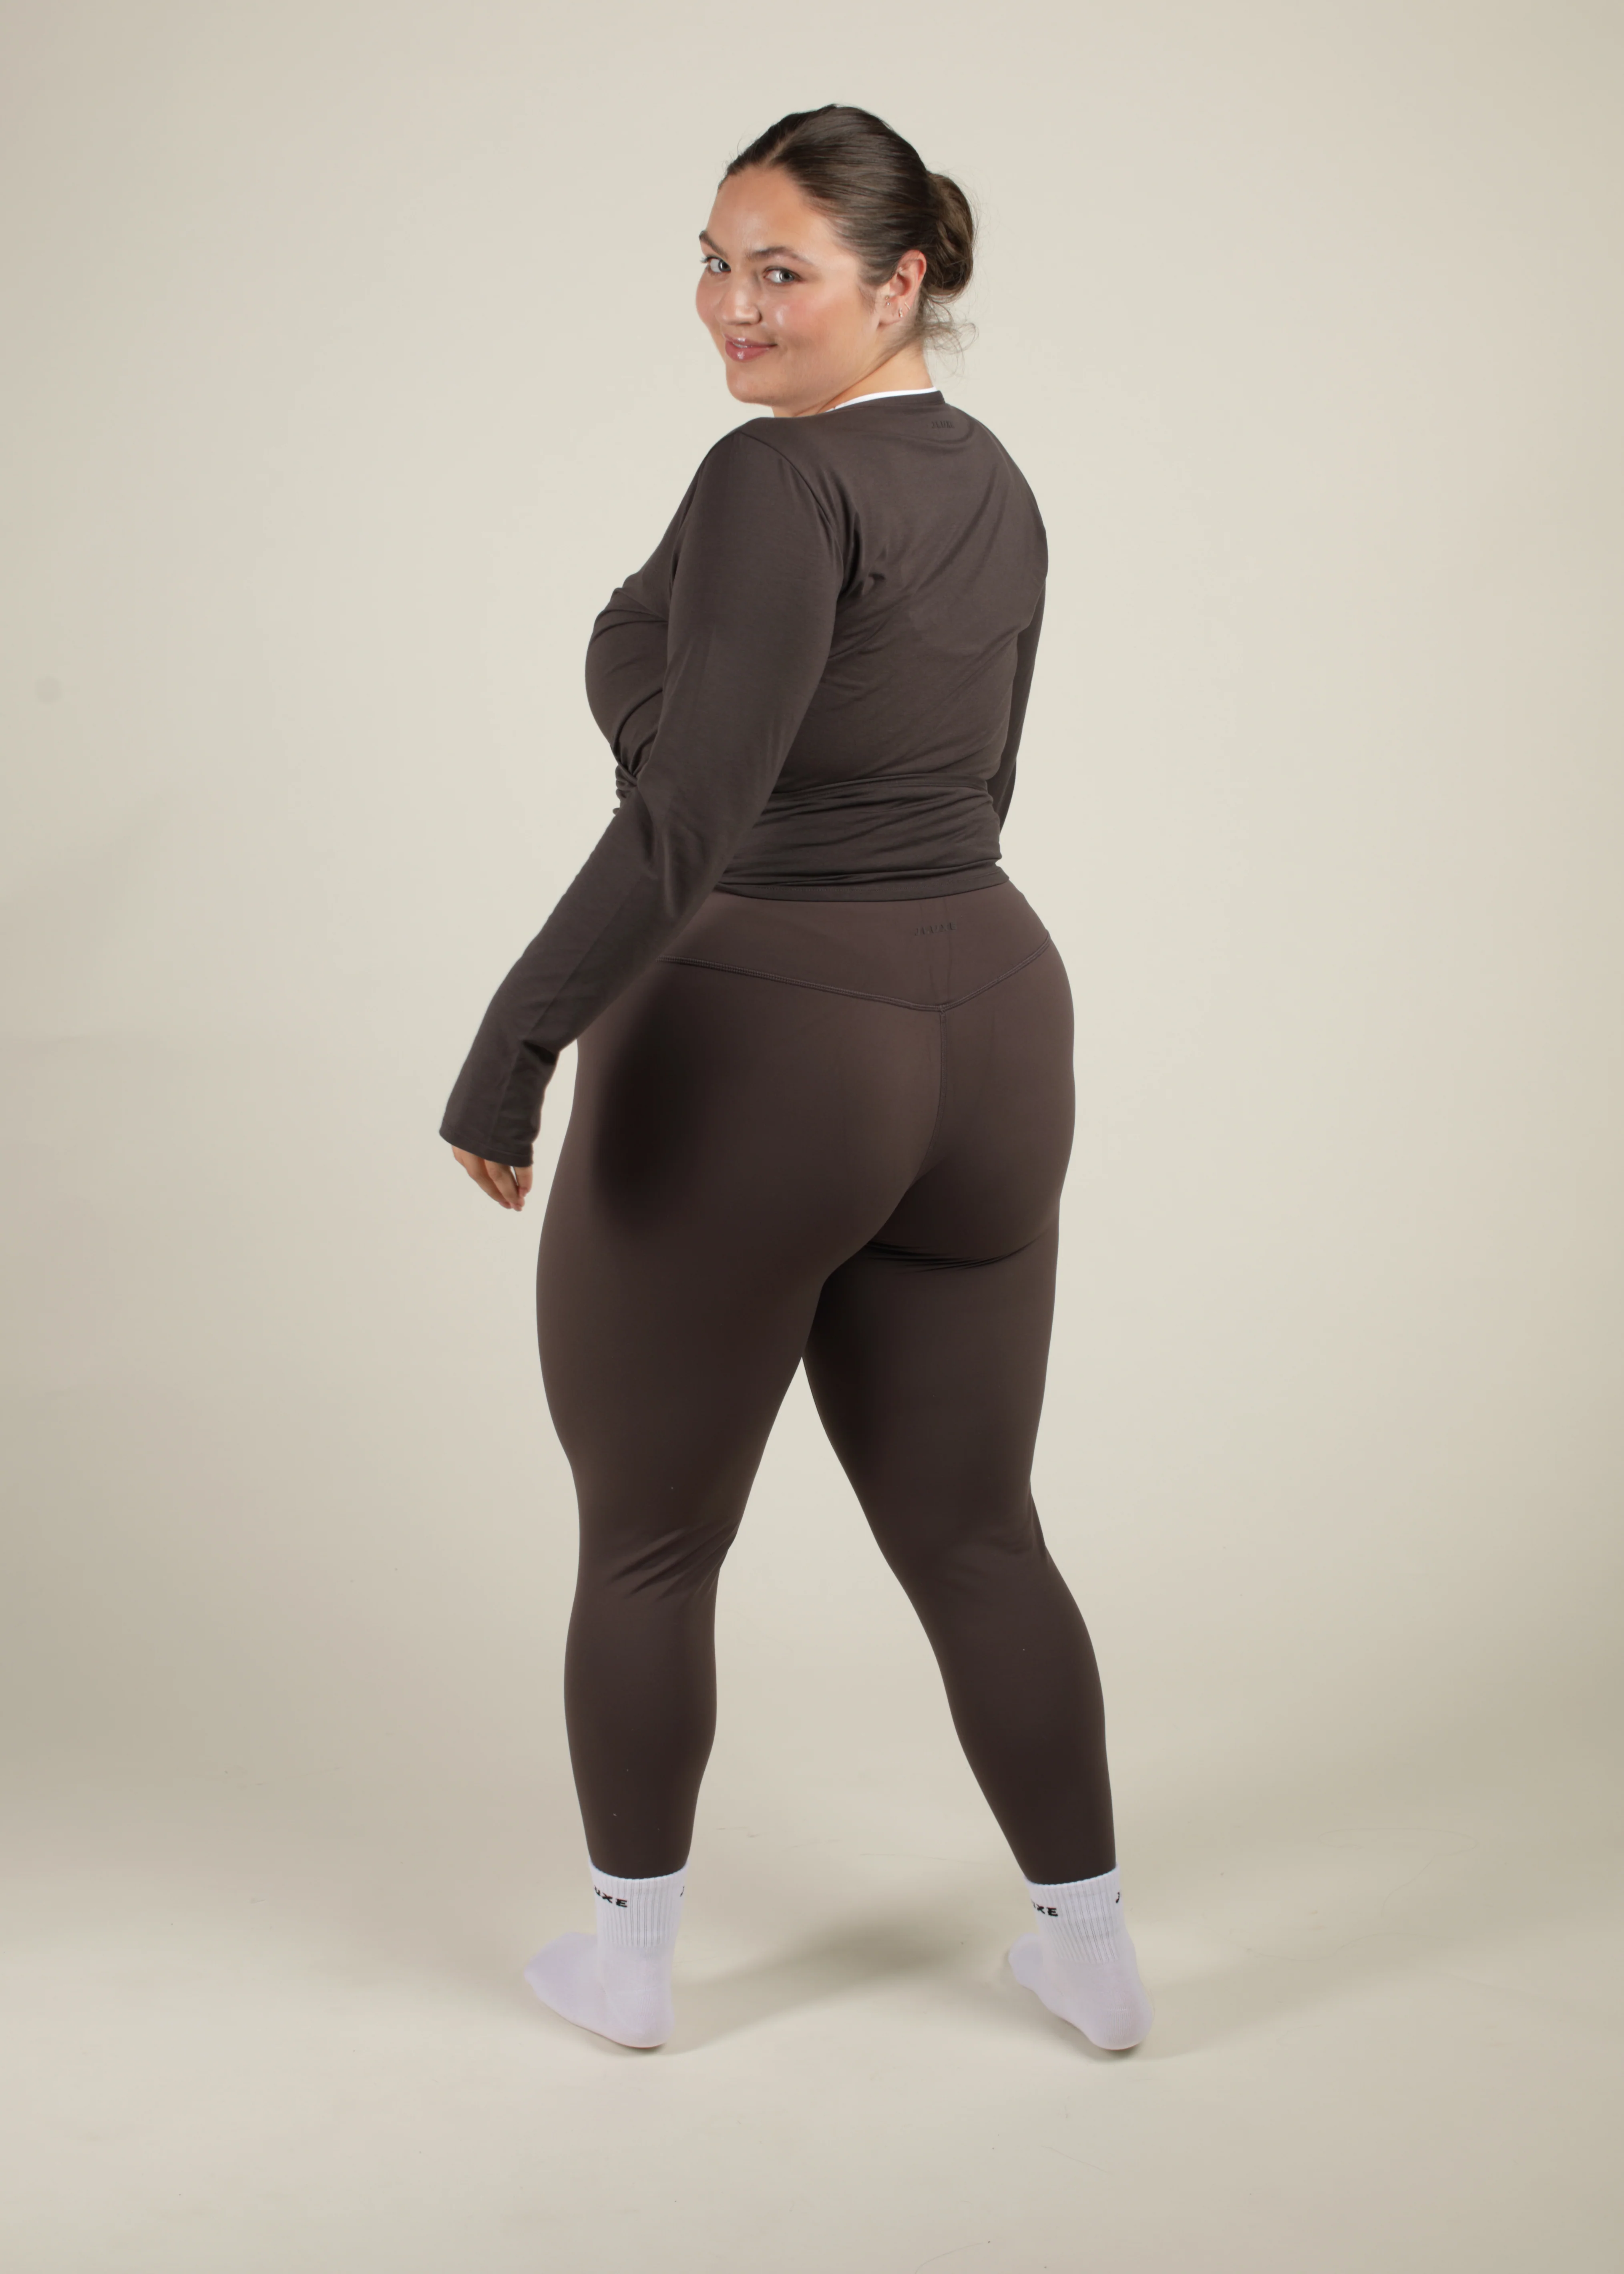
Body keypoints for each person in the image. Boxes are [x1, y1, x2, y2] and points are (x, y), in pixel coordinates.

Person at [439, 104, 1154, 2055]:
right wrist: (684, 724)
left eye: (783, 271)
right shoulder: (991, 478)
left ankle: (628, 1967)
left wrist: (515, 1046)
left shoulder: (773, 480)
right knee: (979, 1526)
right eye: (715, 260)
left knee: (651, 1538)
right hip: (993, 1014)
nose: (732, 306)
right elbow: (946, 769)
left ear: (899, 281)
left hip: (764, 1024)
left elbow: (691, 813)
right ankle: (1093, 1956)